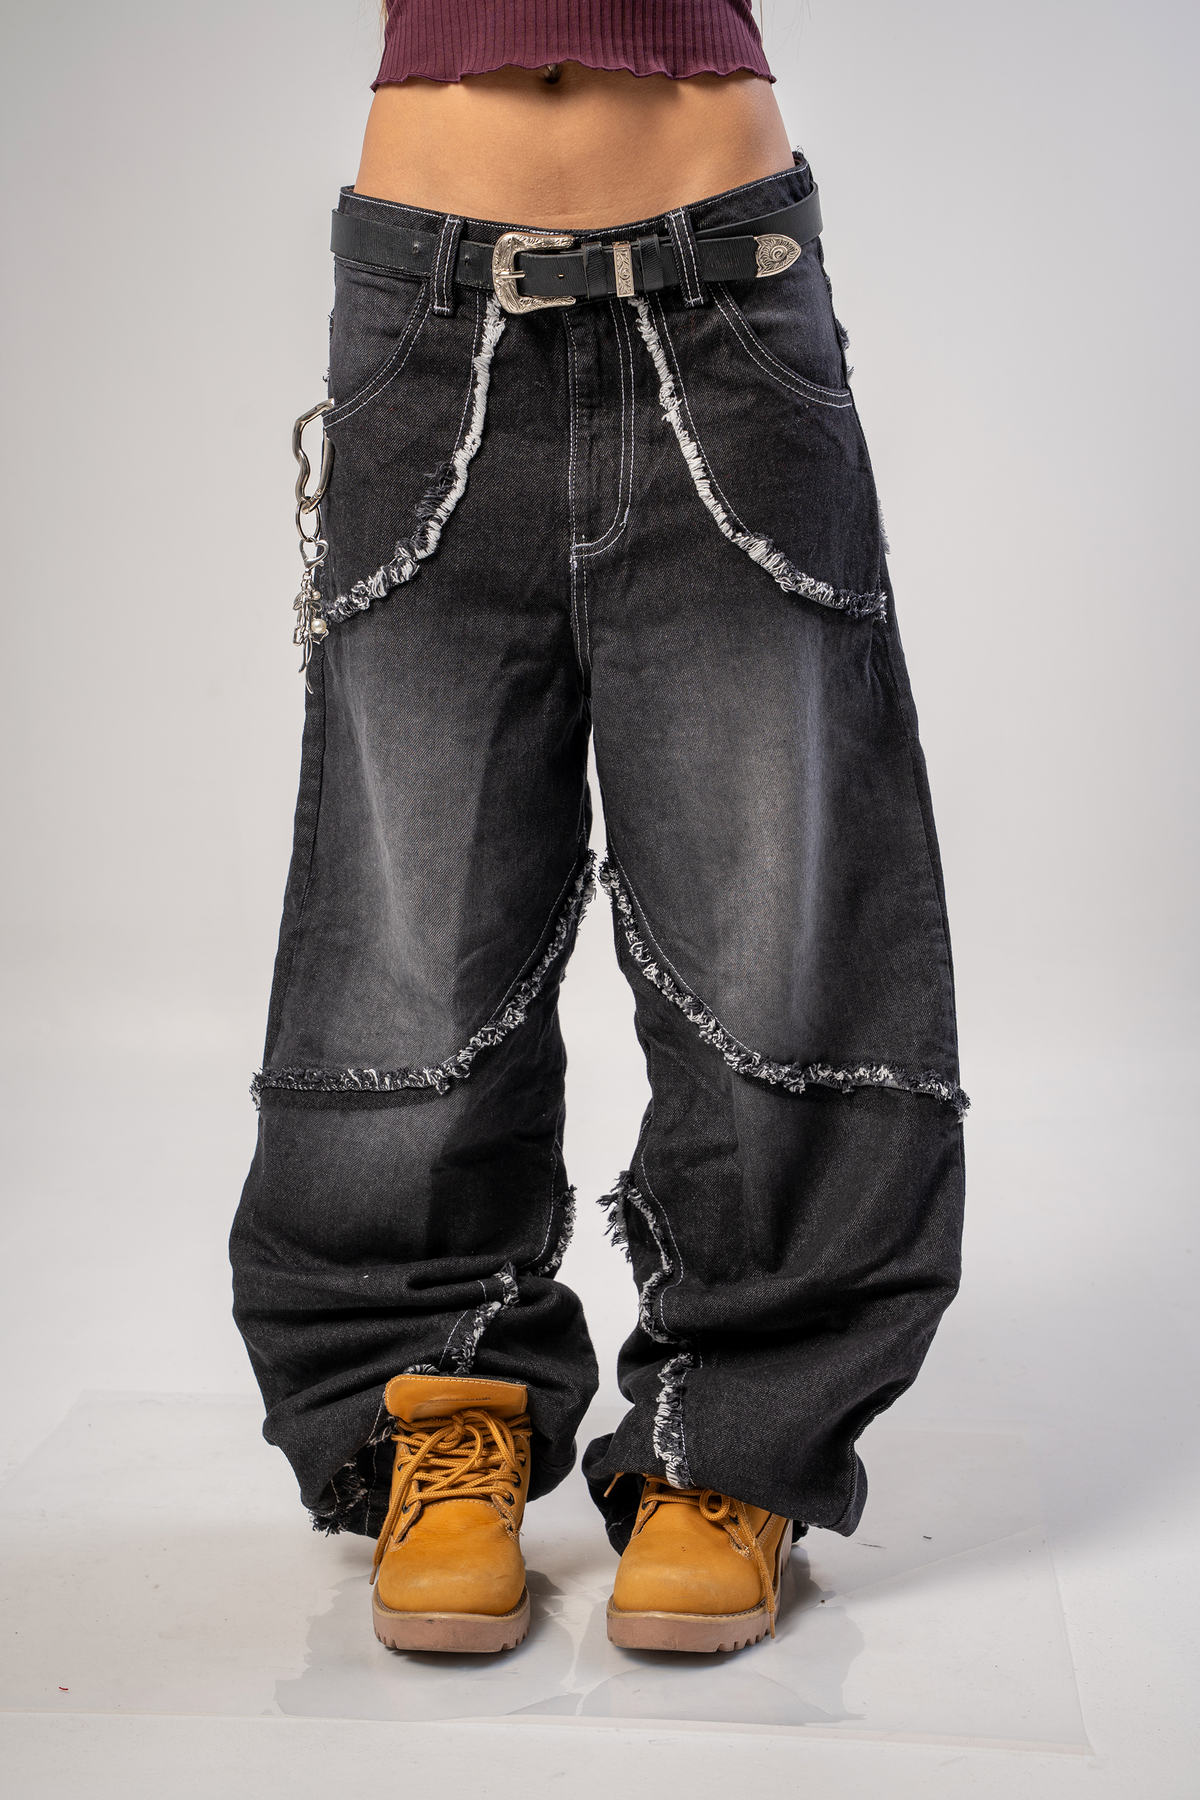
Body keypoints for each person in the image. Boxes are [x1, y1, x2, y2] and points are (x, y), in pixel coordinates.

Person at [230, 0, 966, 1659]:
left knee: (771, 915)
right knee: (415, 923)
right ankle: (441, 1403)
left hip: (728, 298)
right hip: (430, 316)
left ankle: (739, 1434)